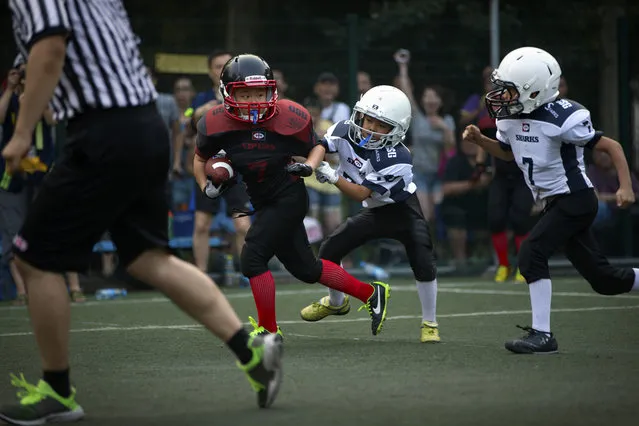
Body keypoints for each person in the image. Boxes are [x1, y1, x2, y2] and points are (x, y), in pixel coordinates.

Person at [1, 2, 283, 422]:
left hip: (103, 131)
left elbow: (51, 49)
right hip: (143, 127)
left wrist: (22, 133)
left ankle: (57, 393)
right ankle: (252, 350)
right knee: (149, 258)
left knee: (34, 260)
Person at [194, 54, 391, 338]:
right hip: (263, 200)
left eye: (259, 92)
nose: (254, 101)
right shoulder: (213, 122)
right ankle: (371, 293)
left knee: (252, 258)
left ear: (271, 90)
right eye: (245, 94)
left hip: (288, 195)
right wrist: (206, 186)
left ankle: (268, 330)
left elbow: (318, 146)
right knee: (307, 270)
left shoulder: (288, 115)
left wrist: (309, 166)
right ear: (227, 92)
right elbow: (200, 159)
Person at [462, 46, 639, 354]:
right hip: (556, 203)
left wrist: (625, 186)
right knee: (604, 280)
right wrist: (480, 140)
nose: (500, 96)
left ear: (534, 91)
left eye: (508, 90)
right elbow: (506, 153)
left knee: (531, 252)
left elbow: (610, 146)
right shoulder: (510, 119)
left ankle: (543, 334)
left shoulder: (563, 118)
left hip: (576, 200)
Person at [298, 85, 440, 343]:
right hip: (375, 213)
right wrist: (312, 163)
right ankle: (336, 303)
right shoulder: (344, 129)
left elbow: (361, 193)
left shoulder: (397, 156)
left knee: (422, 259)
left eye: (380, 125)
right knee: (330, 250)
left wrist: (333, 176)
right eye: (368, 120)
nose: (370, 128)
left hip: (403, 211)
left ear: (396, 130)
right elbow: (321, 144)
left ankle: (429, 321)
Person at [463, 66, 534, 283]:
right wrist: (479, 166)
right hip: (501, 175)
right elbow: (488, 144)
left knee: (520, 220)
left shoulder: (529, 112)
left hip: (523, 173)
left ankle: (524, 265)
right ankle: (503, 265)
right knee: (495, 218)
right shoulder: (495, 117)